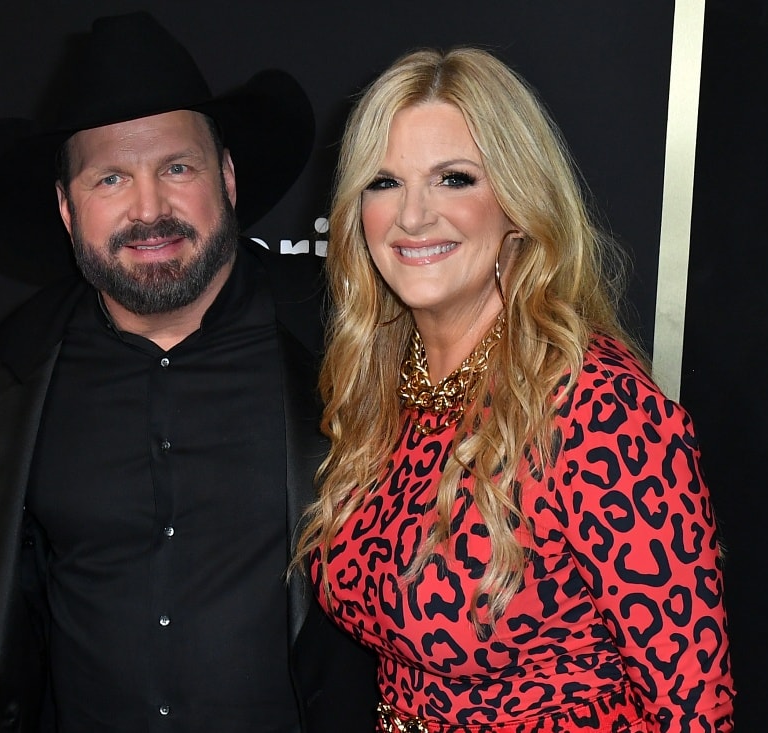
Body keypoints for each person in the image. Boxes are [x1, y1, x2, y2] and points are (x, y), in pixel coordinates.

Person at [0, 11, 378, 733]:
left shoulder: (342, 334)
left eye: (176, 168)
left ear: (228, 177)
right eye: (111, 178)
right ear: (66, 208)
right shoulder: (19, 363)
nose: (149, 209)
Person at [299, 47, 734, 731]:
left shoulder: (601, 411)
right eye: (383, 182)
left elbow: (694, 711)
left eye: (454, 178)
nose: (412, 216)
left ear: (519, 203)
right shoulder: (387, 385)